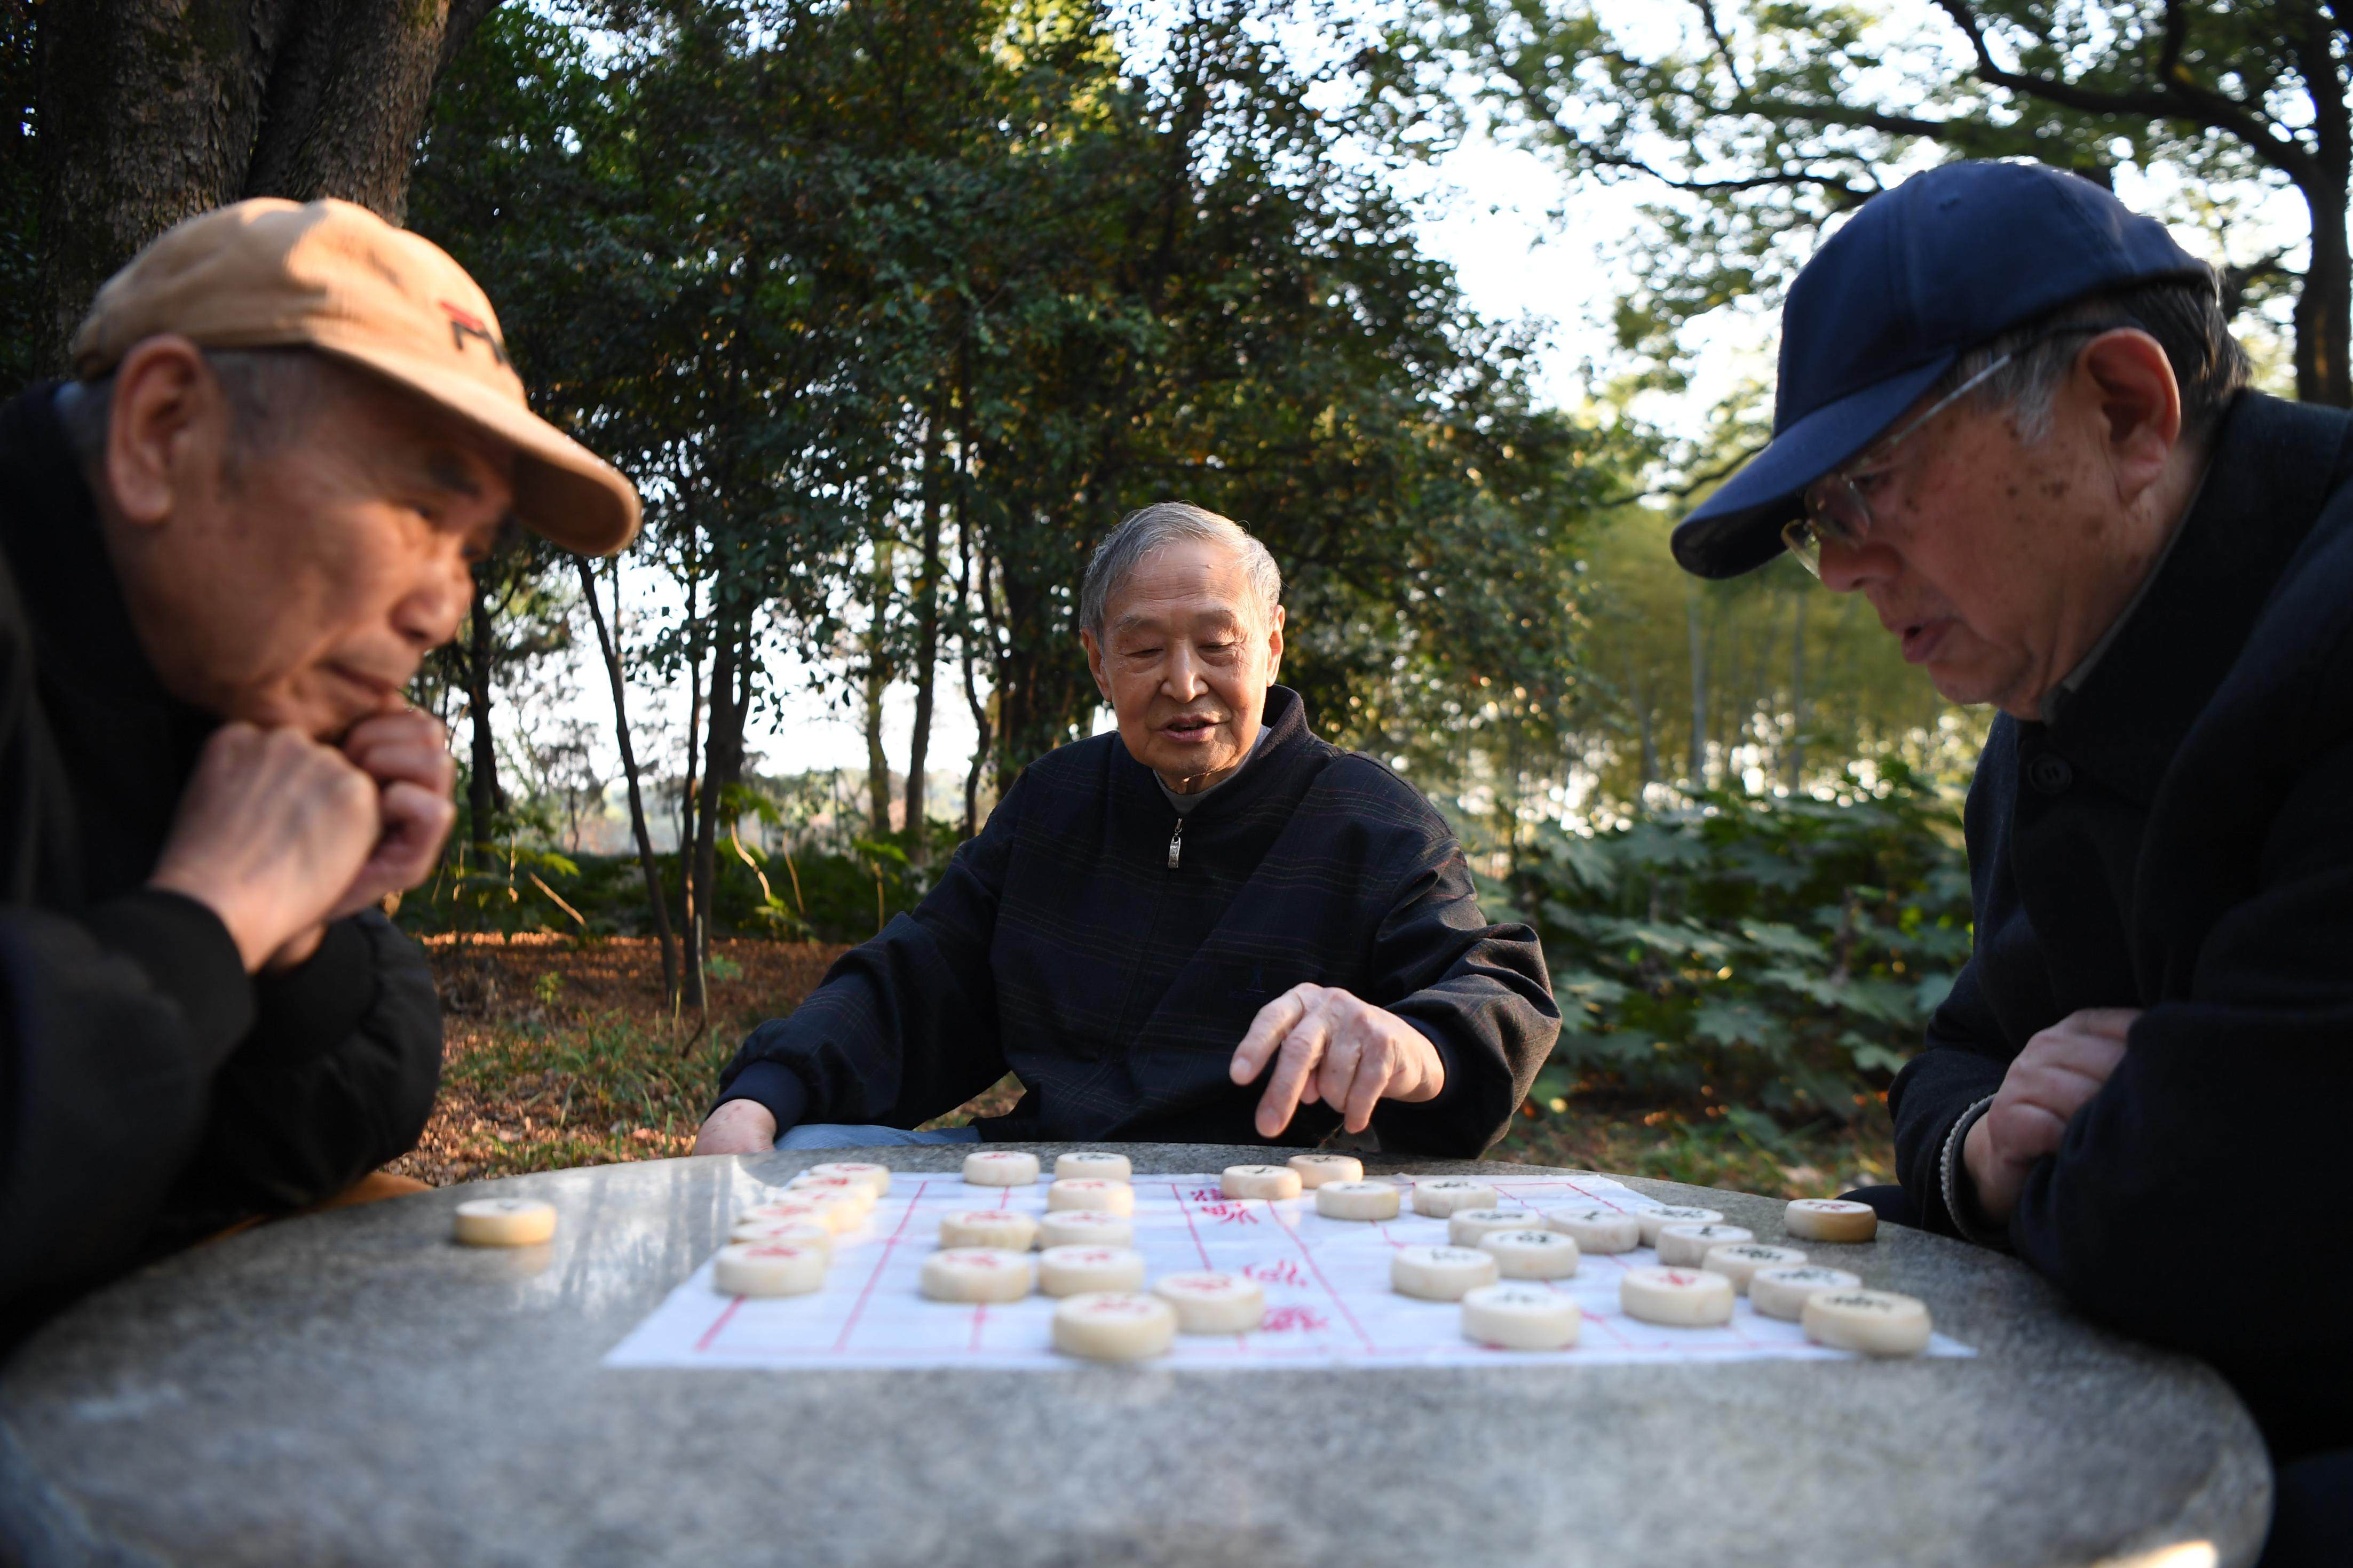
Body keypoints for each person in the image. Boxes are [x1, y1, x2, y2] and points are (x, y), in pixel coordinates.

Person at [1668, 159, 2350, 1564]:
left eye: (1867, 486)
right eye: (1817, 530)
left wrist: (2112, 1155)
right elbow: (1958, 1069)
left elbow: (2211, 1221)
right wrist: (1990, 1150)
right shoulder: (2053, 704)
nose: (1844, 571)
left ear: (2123, 409)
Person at [0, 199, 641, 1345]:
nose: (442, 612)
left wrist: (303, 931)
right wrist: (213, 916)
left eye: (471, 553)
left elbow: (354, 1114)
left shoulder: (230, 682)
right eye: (417, 508)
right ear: (163, 431)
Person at [695, 503, 1557, 1157]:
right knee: (800, 1152)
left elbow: (1491, 989)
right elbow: (924, 975)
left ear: (1271, 646)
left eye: (1217, 645)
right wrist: (764, 1095)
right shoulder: (1056, 800)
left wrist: (1412, 1041)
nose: (1184, 684)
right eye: (1145, 652)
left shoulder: (1371, 819)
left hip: (1257, 1197)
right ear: (1098, 662)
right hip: (1042, 1169)